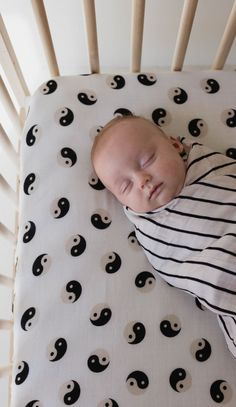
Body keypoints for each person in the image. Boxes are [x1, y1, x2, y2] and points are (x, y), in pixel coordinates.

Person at [91, 115, 236, 358]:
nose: (142, 181)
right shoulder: (155, 230)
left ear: (175, 145)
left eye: (147, 160)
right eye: (126, 186)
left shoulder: (210, 168)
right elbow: (192, 272)